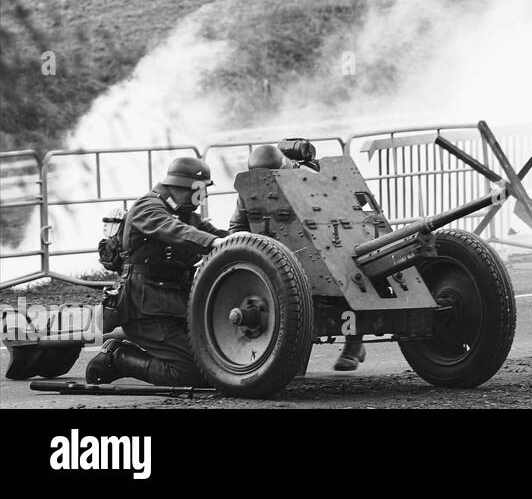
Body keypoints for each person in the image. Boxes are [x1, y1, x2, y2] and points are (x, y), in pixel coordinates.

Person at [86, 156, 227, 386]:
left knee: (215, 362)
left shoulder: (185, 214)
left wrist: (244, 240)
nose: (206, 196)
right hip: (144, 306)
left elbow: (216, 234)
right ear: (187, 186)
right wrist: (212, 243)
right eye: (203, 189)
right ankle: (117, 358)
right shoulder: (148, 206)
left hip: (174, 304)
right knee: (194, 371)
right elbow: (170, 228)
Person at [227, 143, 367, 372]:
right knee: (291, 304)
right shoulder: (251, 190)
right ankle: (293, 361)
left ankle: (354, 344)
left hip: (324, 245)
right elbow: (238, 226)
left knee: (343, 279)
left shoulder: (308, 177)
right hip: (279, 255)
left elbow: (351, 205)